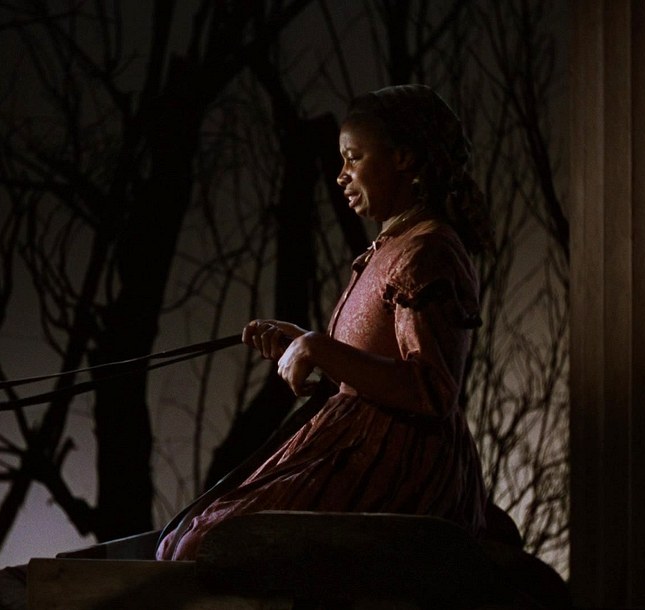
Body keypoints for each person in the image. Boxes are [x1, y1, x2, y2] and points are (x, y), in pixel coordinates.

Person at [156, 83, 493, 561]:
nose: (341, 175)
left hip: (396, 460)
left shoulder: (427, 252)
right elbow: (374, 365)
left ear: (403, 158)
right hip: (358, 442)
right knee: (185, 540)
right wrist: (307, 346)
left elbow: (432, 389)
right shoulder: (393, 248)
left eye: (354, 158)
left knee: (207, 545)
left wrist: (319, 348)